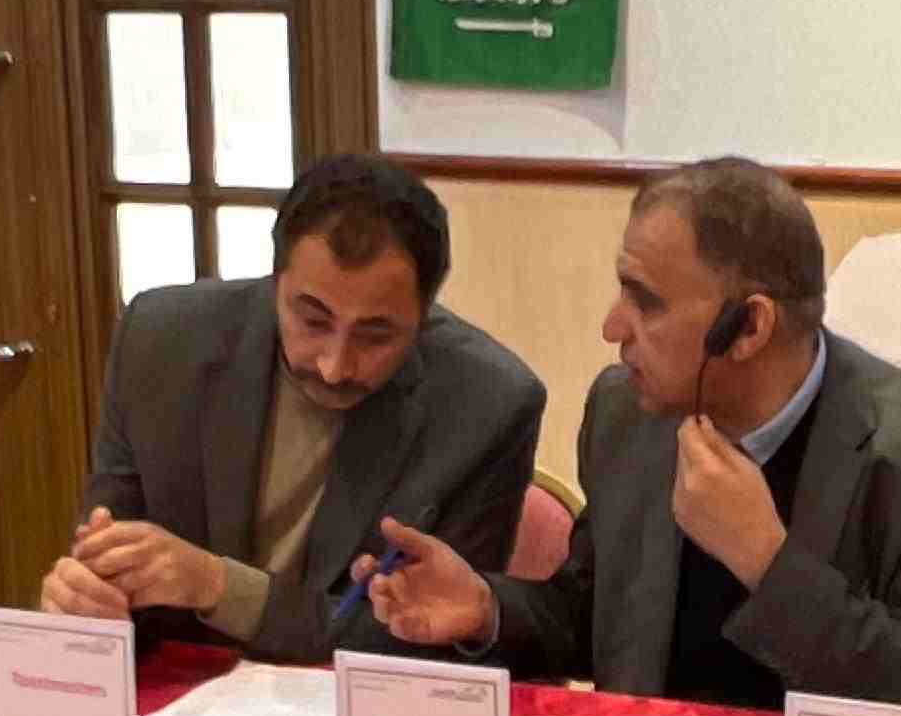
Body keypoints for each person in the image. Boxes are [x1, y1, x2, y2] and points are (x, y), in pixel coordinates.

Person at [355, 158, 901, 716]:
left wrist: (767, 562)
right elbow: (594, 619)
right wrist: (486, 607)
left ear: (749, 327)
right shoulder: (628, 414)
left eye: (645, 301)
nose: (612, 327)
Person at [40, 155, 543, 660]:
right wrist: (89, 600)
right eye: (313, 320)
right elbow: (111, 567)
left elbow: (428, 643)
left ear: (424, 313)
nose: (334, 367)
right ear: (275, 281)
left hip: (353, 699)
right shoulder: (161, 344)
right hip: (185, 688)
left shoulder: (487, 407)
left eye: (376, 336)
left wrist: (219, 586)